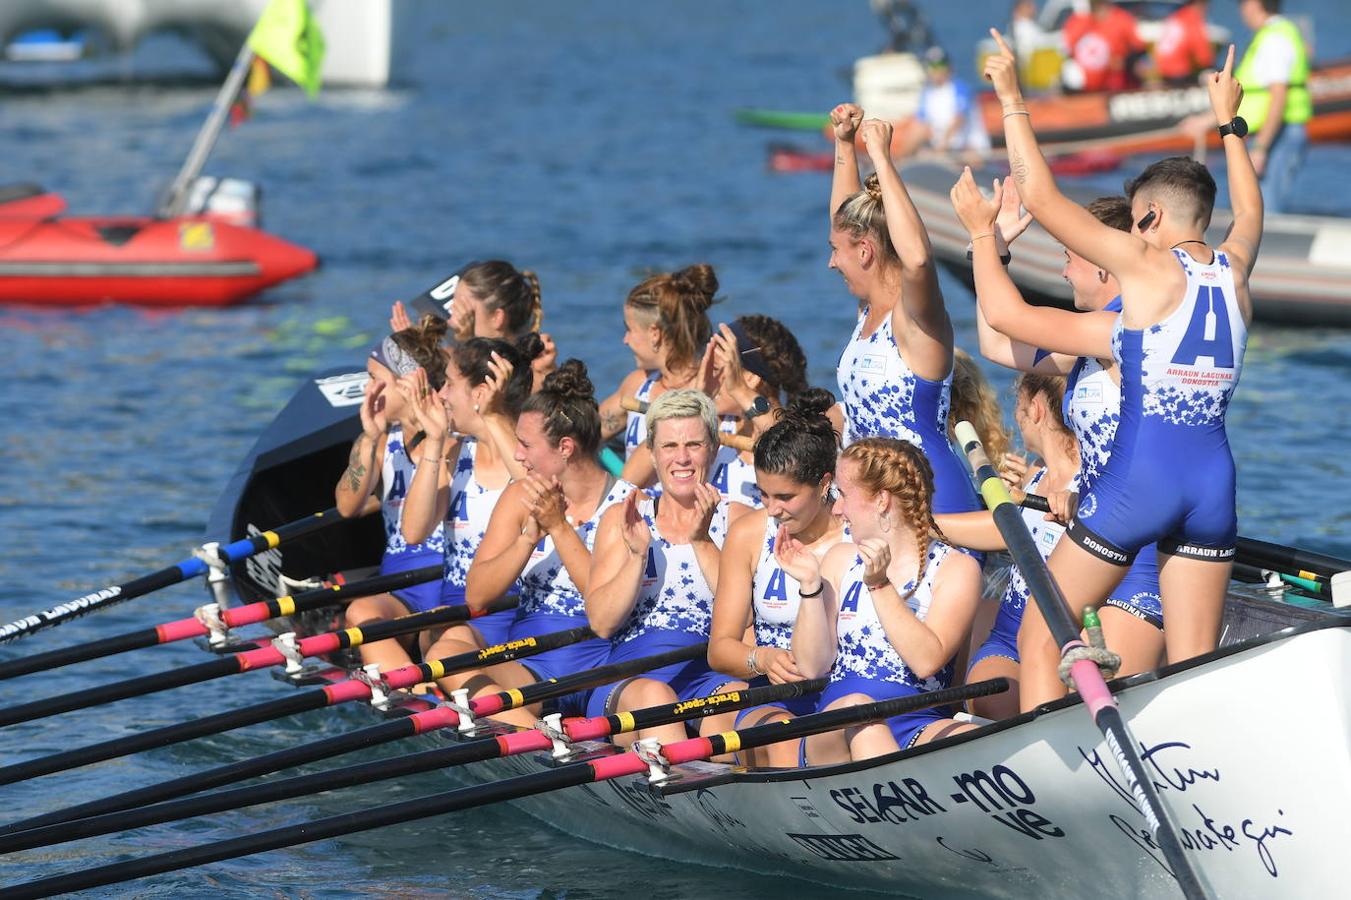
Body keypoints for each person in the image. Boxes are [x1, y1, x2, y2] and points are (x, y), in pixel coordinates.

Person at [984, 32, 1260, 710]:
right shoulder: (1237, 266)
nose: (1132, 237)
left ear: (1154, 217)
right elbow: (1249, 210)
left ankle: (1042, 778)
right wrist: (1229, 122)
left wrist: (1013, 100)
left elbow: (1043, 199)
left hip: (1144, 483)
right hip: (1214, 487)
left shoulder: (1145, 265)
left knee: (1045, 633)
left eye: (1137, 225)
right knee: (1194, 672)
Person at [952, 179, 1166, 683]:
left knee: (1097, 685)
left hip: (1139, 548)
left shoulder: (1129, 329)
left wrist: (983, 237)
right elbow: (997, 343)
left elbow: (1010, 316)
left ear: (1102, 264)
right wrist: (995, 251)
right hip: (1093, 537)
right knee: (1040, 654)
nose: (1063, 268)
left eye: (1070, 255)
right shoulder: (1085, 342)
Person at [443, 361, 636, 726]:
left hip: (602, 666)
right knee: (449, 653)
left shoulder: (628, 505)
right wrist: (528, 538)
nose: (517, 455)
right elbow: (477, 596)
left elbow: (602, 605)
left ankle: (525, 730)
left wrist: (558, 527)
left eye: (526, 444)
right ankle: (537, 734)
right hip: (529, 665)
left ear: (565, 447)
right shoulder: (520, 497)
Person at [827, 103, 982, 516]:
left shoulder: (913, 317)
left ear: (865, 252)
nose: (831, 263)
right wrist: (846, 145)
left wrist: (881, 157)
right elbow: (844, 221)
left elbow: (916, 259)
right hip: (871, 502)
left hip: (930, 501)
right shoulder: (868, 311)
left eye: (835, 253)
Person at [789, 437, 983, 763]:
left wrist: (880, 586)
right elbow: (811, 666)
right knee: (865, 717)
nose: (836, 509)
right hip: (840, 721)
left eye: (843, 495)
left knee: (979, 742)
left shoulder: (957, 568)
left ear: (881, 500)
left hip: (917, 720)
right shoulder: (839, 559)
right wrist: (810, 585)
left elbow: (926, 661)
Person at [584, 390, 744, 748]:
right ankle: (683, 788)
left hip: (709, 673)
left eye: (694, 444)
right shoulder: (623, 517)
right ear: (653, 455)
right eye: (669, 446)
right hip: (631, 675)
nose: (682, 458)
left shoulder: (740, 520)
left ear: (714, 449)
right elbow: (601, 621)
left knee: (738, 710)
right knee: (657, 698)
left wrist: (703, 540)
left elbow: (745, 617)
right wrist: (637, 556)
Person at [708, 389, 846, 767]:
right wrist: (762, 659)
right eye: (764, 494)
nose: (772, 511)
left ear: (823, 483)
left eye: (785, 497)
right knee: (788, 738)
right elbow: (719, 648)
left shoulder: (857, 531)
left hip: (843, 693)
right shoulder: (749, 535)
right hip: (773, 702)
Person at [936, 373, 1078, 719]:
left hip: (1065, 629)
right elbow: (1004, 532)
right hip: (1010, 631)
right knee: (991, 700)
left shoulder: (1093, 483)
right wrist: (923, 525)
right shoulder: (1038, 472)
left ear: (1038, 409)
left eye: (1018, 405)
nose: (1015, 417)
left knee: (1047, 703)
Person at [399, 334, 541, 671]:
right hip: (459, 613)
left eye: (449, 384)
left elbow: (533, 488)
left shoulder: (531, 454)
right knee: (435, 634)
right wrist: (434, 442)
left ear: (479, 393)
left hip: (517, 611)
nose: (441, 394)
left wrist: (492, 416)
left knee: (441, 642)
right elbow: (413, 532)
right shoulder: (453, 451)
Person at [335, 316, 451, 673]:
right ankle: (414, 689)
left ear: (407, 385)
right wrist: (369, 439)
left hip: (452, 584)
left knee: (441, 630)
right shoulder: (381, 443)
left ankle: (410, 679)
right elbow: (346, 506)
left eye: (375, 379)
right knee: (359, 611)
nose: (368, 389)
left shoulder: (454, 439)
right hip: (401, 592)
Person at [595, 265, 716, 466]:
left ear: (654, 333)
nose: (625, 340)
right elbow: (583, 434)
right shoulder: (637, 384)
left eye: (629, 329)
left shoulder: (714, 391)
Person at [700, 315, 812, 517]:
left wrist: (740, 391)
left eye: (716, 370)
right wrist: (697, 400)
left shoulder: (802, 437)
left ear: (751, 378)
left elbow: (787, 445)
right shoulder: (712, 424)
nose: (708, 378)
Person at [395, 260, 557, 391]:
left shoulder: (528, 374)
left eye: (463, 312)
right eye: (452, 309)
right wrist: (413, 349)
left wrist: (468, 346)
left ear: (497, 318)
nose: (451, 321)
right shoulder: (454, 352)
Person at [1234, 0, 1310, 214]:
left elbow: (1278, 95)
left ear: (1254, 4)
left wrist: (1261, 147)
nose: (1241, 9)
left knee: (1266, 208)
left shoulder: (1275, 39)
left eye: (1242, 3)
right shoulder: (1270, 35)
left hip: (1277, 136)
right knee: (1258, 207)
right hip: (1271, 135)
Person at [900, 46, 991, 161]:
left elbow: (958, 120)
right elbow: (919, 127)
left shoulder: (960, 88)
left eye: (940, 65)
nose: (936, 70)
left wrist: (939, 150)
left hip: (970, 148)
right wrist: (902, 158)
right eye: (932, 66)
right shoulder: (927, 94)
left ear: (949, 67)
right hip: (946, 151)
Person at [1061, 0, 1145, 93]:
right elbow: (1069, 51)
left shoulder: (1122, 19)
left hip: (1114, 85)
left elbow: (1139, 49)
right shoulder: (1077, 21)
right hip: (1083, 88)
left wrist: (1125, 62)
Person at [1153, 0, 1214, 86]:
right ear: (1200, 4)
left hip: (1163, 72)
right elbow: (1204, 57)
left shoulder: (1175, 16)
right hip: (1179, 74)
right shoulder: (1193, 18)